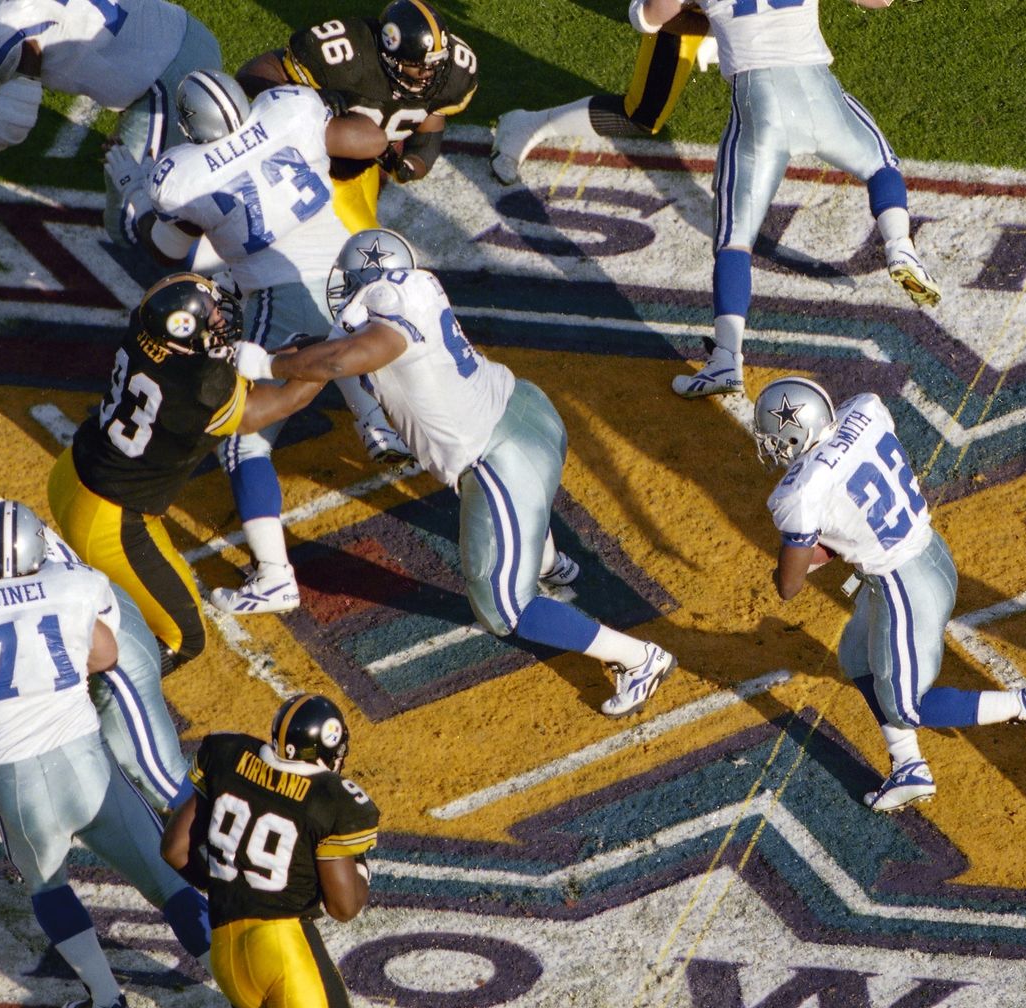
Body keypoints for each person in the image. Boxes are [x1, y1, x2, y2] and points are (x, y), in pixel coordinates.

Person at [240, 228, 677, 717]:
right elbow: (324, 367)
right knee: (517, 510)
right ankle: (551, 562)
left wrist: (270, 362)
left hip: (501, 457)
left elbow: (350, 355)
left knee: (503, 609)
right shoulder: (414, 289)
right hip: (527, 411)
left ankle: (638, 658)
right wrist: (270, 373)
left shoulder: (385, 312)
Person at [0, 501, 212, 1008]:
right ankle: (244, 997)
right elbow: (104, 656)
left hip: (20, 780)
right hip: (88, 763)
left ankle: (106, 1002)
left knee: (49, 889)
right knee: (167, 881)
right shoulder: (72, 585)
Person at [141, 72, 408, 612]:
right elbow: (361, 141)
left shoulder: (181, 176)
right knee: (363, 349)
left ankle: (273, 575)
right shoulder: (286, 110)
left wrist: (134, 203)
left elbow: (167, 251)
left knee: (243, 433)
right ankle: (378, 424)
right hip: (351, 270)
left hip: (282, 291)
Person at [754, 377, 1026, 811]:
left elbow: (788, 587)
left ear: (796, 431)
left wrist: (790, 562)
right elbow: (853, 511)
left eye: (776, 437)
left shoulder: (801, 492)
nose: (773, 448)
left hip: (903, 586)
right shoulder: (862, 411)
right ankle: (909, 768)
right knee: (857, 657)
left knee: (907, 708)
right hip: (930, 551)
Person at [630, 0, 938, 400]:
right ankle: (900, 247)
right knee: (881, 164)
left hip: (760, 106)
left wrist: (690, 17)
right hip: (817, 89)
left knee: (734, 237)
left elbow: (651, 16)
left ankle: (726, 357)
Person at [47, 272, 325, 663]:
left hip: (73, 472)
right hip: (111, 521)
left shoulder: (145, 326)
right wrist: (329, 362)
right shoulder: (203, 390)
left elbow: (168, 294)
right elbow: (276, 405)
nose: (221, 320)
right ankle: (76, 699)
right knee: (185, 638)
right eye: (211, 317)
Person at [161, 694, 407, 1008]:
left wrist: (234, 887)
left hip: (227, 955)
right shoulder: (331, 801)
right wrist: (358, 867)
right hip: (284, 953)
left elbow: (175, 850)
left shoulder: (227, 754)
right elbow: (344, 907)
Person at [0, 489, 191, 815]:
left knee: (161, 781)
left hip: (108, 642)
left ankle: (226, 835)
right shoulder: (14, 544)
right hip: (65, 646)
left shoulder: (43, 571)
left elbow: (102, 654)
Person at [0, 0, 223, 249]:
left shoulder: (6, 26)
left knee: (128, 222)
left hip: (167, 82)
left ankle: (212, 272)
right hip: (186, 31)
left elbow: (11, 122)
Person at [236, 0, 478, 233]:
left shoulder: (449, 74)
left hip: (364, 169)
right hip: (316, 176)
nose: (430, 74)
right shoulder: (348, 56)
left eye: (436, 64)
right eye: (418, 65)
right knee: (369, 257)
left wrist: (412, 165)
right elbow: (252, 72)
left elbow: (430, 123)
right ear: (389, 57)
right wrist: (307, 98)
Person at [489, 11, 715, 185]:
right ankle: (527, 125)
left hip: (732, 17)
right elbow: (651, 14)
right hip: (685, 14)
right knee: (642, 113)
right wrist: (717, 26)